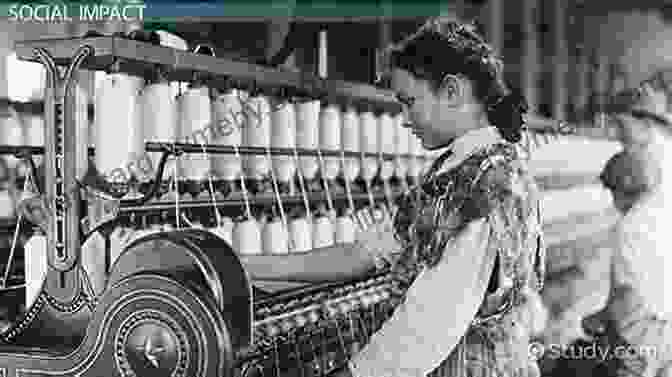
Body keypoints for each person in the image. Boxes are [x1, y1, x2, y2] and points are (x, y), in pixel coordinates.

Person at [241, 18, 545, 377]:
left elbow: (432, 321)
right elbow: (363, 255)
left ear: (452, 91)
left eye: (409, 101)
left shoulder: (483, 182)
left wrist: (354, 373)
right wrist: (242, 267)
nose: (403, 118)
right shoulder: (467, 170)